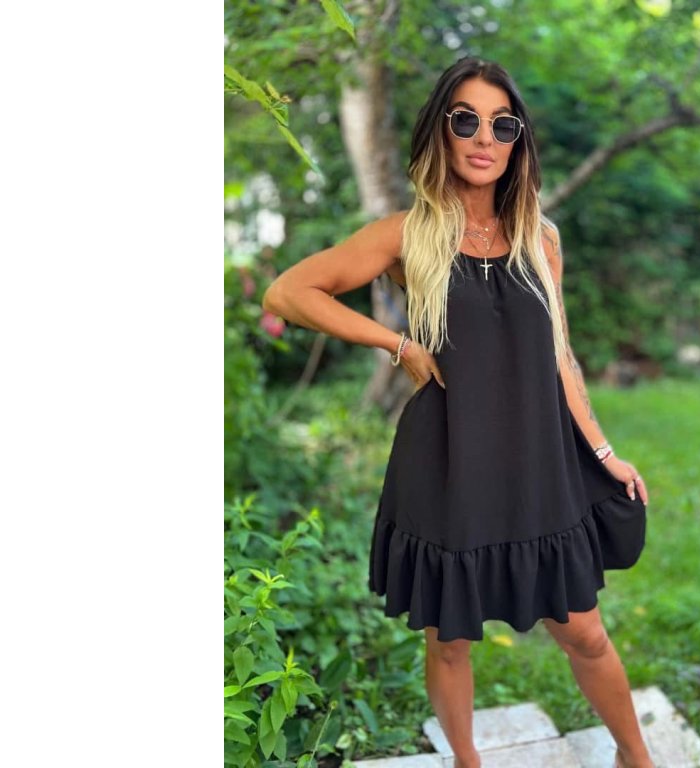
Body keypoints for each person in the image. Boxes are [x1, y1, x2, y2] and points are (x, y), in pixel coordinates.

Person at [263, 56, 653, 768]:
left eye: (502, 125)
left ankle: (636, 757)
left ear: (518, 141)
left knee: (584, 632)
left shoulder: (541, 238)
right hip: (448, 464)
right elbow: (288, 293)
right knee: (449, 640)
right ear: (441, 129)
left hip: (538, 462)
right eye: (466, 119)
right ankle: (467, 761)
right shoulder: (407, 234)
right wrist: (396, 344)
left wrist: (603, 451)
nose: (483, 137)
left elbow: (561, 356)